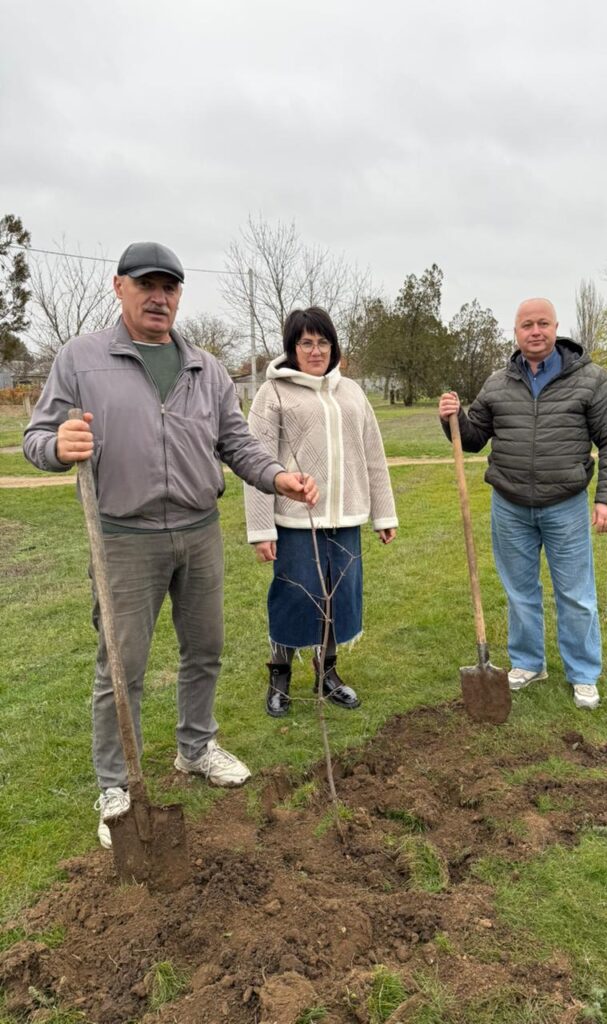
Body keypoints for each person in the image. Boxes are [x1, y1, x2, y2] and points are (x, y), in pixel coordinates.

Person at [23, 241, 318, 848]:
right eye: (147, 285)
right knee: (121, 666)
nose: (159, 297)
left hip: (197, 530)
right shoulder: (80, 360)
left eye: (170, 288)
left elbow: (236, 444)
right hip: (125, 538)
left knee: (205, 647)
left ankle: (195, 746)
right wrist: (57, 448)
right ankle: (116, 783)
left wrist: (278, 476)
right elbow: (38, 436)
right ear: (120, 288)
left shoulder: (205, 368)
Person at [438, 297, 607, 709]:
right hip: (509, 505)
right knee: (520, 590)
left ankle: (583, 673)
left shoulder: (590, 380)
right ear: (516, 332)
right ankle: (528, 663)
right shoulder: (497, 383)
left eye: (543, 323)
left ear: (556, 328)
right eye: (527, 325)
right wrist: (451, 418)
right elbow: (472, 441)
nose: (535, 331)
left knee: (576, 594)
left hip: (566, 504)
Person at [244, 306, 398, 717]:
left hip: (345, 519)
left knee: (338, 600)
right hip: (296, 521)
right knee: (296, 598)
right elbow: (255, 463)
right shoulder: (272, 394)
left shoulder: (352, 393)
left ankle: (327, 673)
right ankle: (280, 675)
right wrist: (261, 529)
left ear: (334, 347)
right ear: (292, 348)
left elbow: (374, 457)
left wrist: (384, 515)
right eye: (307, 343)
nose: (316, 351)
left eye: (323, 342)